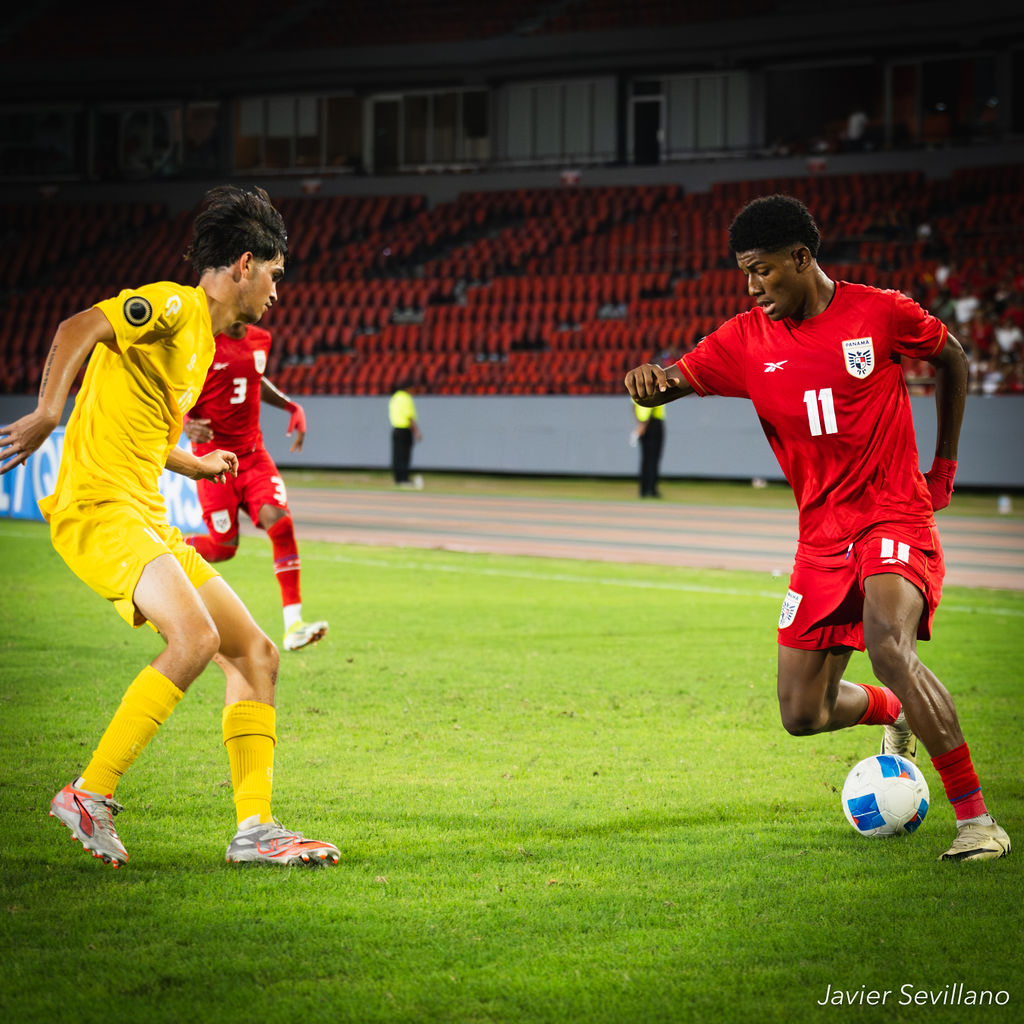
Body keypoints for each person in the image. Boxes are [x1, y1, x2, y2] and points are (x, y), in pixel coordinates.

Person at [624, 194, 1010, 863]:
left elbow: (952, 357)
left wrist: (943, 463)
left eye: (763, 270)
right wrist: (651, 385)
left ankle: (977, 821)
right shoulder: (743, 341)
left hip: (892, 511)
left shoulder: (882, 312)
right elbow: (674, 379)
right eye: (745, 272)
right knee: (802, 713)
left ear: (802, 258)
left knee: (888, 642)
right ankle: (895, 711)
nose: (753, 286)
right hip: (820, 538)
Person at [0, 185, 339, 869]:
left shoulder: (200, 344)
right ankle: (89, 792)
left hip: (147, 515)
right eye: (275, 274)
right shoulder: (176, 304)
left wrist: (193, 463)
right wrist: (45, 413)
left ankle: (255, 830)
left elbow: (144, 432)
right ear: (244, 264)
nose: (278, 290)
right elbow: (76, 328)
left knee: (256, 655)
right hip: (101, 509)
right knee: (195, 637)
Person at [183, 320, 328, 652]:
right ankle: (166, 549)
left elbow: (252, 379)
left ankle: (293, 625)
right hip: (213, 461)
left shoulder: (261, 338)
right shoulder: (203, 339)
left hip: (253, 455)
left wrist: (292, 405)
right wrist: (187, 423)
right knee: (223, 548)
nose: (272, 297)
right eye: (270, 281)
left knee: (280, 521)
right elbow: (176, 389)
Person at [389, 380, 422, 487]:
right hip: (404, 429)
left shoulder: (395, 397)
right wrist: (416, 431)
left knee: (397, 455)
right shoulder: (406, 398)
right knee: (404, 455)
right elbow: (409, 417)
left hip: (395, 429)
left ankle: (398, 478)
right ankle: (404, 478)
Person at [633, 400, 665, 498]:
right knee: (653, 458)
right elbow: (652, 405)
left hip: (642, 423)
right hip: (652, 423)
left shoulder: (635, 387)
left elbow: (633, 406)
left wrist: (639, 424)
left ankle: (643, 489)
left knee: (645, 458)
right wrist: (644, 425)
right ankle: (651, 490)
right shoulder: (654, 385)